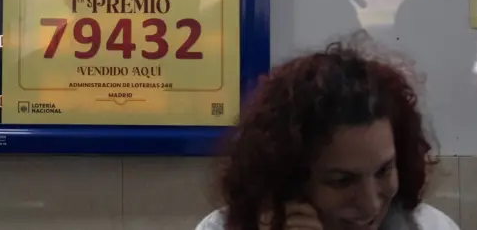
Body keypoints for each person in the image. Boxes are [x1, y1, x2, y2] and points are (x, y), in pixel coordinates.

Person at [196, 38, 459, 230]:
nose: (370, 204)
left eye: (384, 171)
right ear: (286, 179)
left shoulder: (431, 226)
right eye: (342, 181)